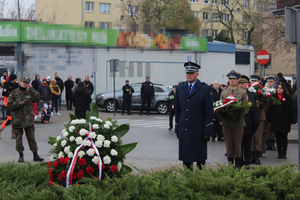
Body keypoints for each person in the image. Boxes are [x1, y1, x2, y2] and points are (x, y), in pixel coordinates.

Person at [174, 61, 213, 170]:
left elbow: (209, 112)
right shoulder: (180, 88)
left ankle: (200, 182)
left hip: (199, 130)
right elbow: (178, 111)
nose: (189, 75)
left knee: (200, 160)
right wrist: (177, 128)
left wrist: (207, 131)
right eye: (187, 73)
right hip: (185, 129)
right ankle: (188, 182)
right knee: (186, 160)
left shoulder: (205, 89)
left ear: (197, 74)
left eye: (191, 73)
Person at [7, 76, 44, 163]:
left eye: (26, 82)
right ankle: (21, 156)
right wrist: (18, 104)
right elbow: (9, 106)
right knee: (18, 138)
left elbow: (37, 98)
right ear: (20, 82)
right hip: (17, 120)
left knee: (31, 137)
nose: (24, 83)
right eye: (23, 82)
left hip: (28, 119)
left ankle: (35, 155)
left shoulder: (29, 92)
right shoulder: (14, 93)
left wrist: (32, 89)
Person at [220, 70, 248, 170]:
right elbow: (220, 106)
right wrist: (221, 114)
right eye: (230, 79)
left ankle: (238, 164)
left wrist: (239, 114)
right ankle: (231, 164)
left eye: (234, 79)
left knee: (237, 144)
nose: (232, 81)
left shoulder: (242, 92)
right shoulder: (224, 92)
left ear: (237, 80)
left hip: (238, 122)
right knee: (229, 145)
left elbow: (246, 108)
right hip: (227, 123)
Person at [267, 83, 295, 159]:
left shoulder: (288, 98)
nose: (279, 89)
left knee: (284, 137)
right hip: (276, 120)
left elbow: (291, 110)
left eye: (281, 88)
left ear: (284, 89)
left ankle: (284, 152)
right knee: (278, 137)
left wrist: (292, 120)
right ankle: (279, 152)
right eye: (278, 88)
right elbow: (270, 109)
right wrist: (269, 119)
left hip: (285, 120)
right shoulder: (273, 97)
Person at [238, 75, 260, 167]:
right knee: (239, 146)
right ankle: (239, 162)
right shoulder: (235, 95)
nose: (240, 85)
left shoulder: (252, 96)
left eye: (242, 83)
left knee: (247, 146)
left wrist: (254, 126)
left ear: (247, 84)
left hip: (248, 125)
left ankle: (247, 162)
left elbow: (256, 113)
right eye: (239, 83)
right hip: (237, 125)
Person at [249, 74, 266, 164]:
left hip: (260, 116)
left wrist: (259, 98)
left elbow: (264, 105)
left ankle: (257, 156)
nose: (253, 83)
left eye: (255, 81)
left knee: (258, 137)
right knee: (251, 137)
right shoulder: (249, 91)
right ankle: (251, 156)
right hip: (251, 116)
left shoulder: (262, 91)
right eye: (252, 81)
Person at [0, 74, 19, 139]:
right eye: (15, 79)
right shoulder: (7, 84)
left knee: (14, 118)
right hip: (7, 103)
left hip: (14, 103)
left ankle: (13, 134)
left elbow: (17, 90)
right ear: (13, 79)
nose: (16, 80)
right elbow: (3, 93)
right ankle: (0, 128)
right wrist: (11, 95)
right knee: (9, 119)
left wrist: (17, 84)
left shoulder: (15, 84)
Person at [264, 75, 277, 151]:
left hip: (274, 111)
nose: (270, 83)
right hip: (267, 110)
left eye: (271, 81)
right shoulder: (265, 90)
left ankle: (272, 143)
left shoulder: (275, 90)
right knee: (267, 127)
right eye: (269, 81)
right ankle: (267, 143)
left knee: (273, 128)